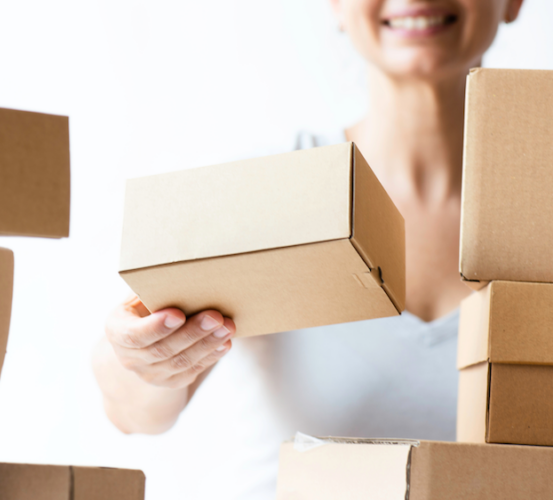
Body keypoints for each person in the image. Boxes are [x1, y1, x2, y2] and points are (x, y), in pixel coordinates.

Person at [93, 0, 525, 496]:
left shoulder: (541, 203)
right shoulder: (268, 195)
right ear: (337, 5)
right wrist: (144, 358)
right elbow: (130, 409)